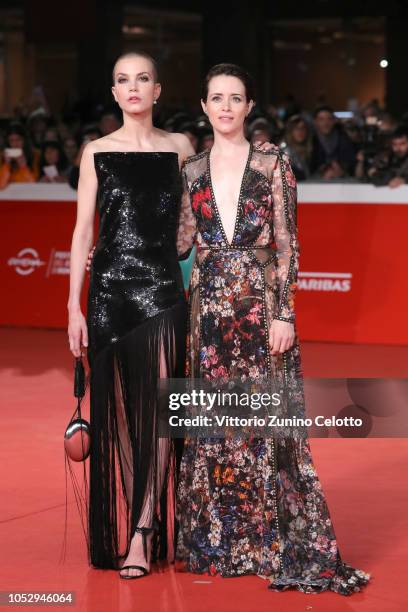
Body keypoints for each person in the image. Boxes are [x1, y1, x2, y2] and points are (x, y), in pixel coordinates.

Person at [175, 63, 371, 595]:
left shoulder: (273, 161)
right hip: (209, 312)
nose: (225, 107)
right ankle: (223, 540)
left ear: (249, 105)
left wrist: (284, 312)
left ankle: (271, 542)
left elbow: (288, 244)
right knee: (217, 426)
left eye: (235, 98)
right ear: (203, 106)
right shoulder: (191, 170)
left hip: (262, 308)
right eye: (216, 98)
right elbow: (180, 243)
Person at [67, 50, 194, 579]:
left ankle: (144, 527)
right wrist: (73, 305)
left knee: (163, 412)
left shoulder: (182, 148)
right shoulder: (96, 151)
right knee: (118, 416)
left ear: (158, 90)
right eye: (123, 80)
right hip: (109, 296)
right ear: (115, 93)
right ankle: (134, 519)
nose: (134, 87)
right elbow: (82, 232)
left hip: (165, 291)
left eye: (143, 78)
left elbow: (192, 228)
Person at [310, 106, 356, 179]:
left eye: (329, 119)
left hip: (342, 181)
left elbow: (351, 162)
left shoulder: (344, 138)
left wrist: (341, 170)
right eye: (321, 119)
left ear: (334, 121)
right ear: (315, 122)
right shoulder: (310, 140)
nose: (326, 123)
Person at [0, 123, 39, 189]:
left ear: (24, 141)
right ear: (8, 143)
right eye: (11, 141)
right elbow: (1, 186)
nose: (15, 144)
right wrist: (6, 165)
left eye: (18, 140)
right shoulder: (2, 156)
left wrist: (23, 167)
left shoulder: (35, 155)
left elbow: (33, 186)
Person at [280, 114, 313, 181]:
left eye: (303, 128)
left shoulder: (310, 151)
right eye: (296, 128)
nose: (300, 131)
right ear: (290, 131)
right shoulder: (285, 153)